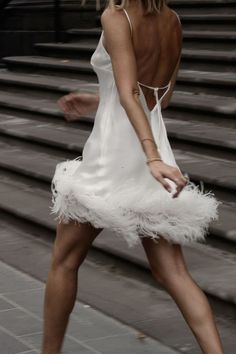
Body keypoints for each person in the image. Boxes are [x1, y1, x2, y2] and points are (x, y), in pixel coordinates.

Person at [40, 1, 225, 353]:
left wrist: (150, 156)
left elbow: (129, 93)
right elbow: (161, 97)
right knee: (174, 273)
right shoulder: (173, 19)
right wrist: (100, 100)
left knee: (64, 261)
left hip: (115, 156)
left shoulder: (117, 15)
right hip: (151, 147)